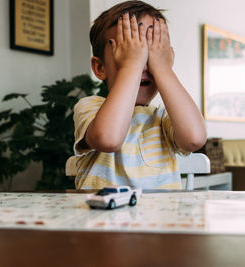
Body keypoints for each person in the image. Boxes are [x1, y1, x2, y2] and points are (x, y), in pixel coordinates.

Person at [70, 0, 207, 189]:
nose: (142, 65)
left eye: (151, 55)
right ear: (100, 67)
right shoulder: (90, 107)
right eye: (129, 53)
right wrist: (131, 66)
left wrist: (163, 68)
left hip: (160, 218)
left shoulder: (162, 119)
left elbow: (195, 138)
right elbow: (108, 139)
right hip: (102, 217)